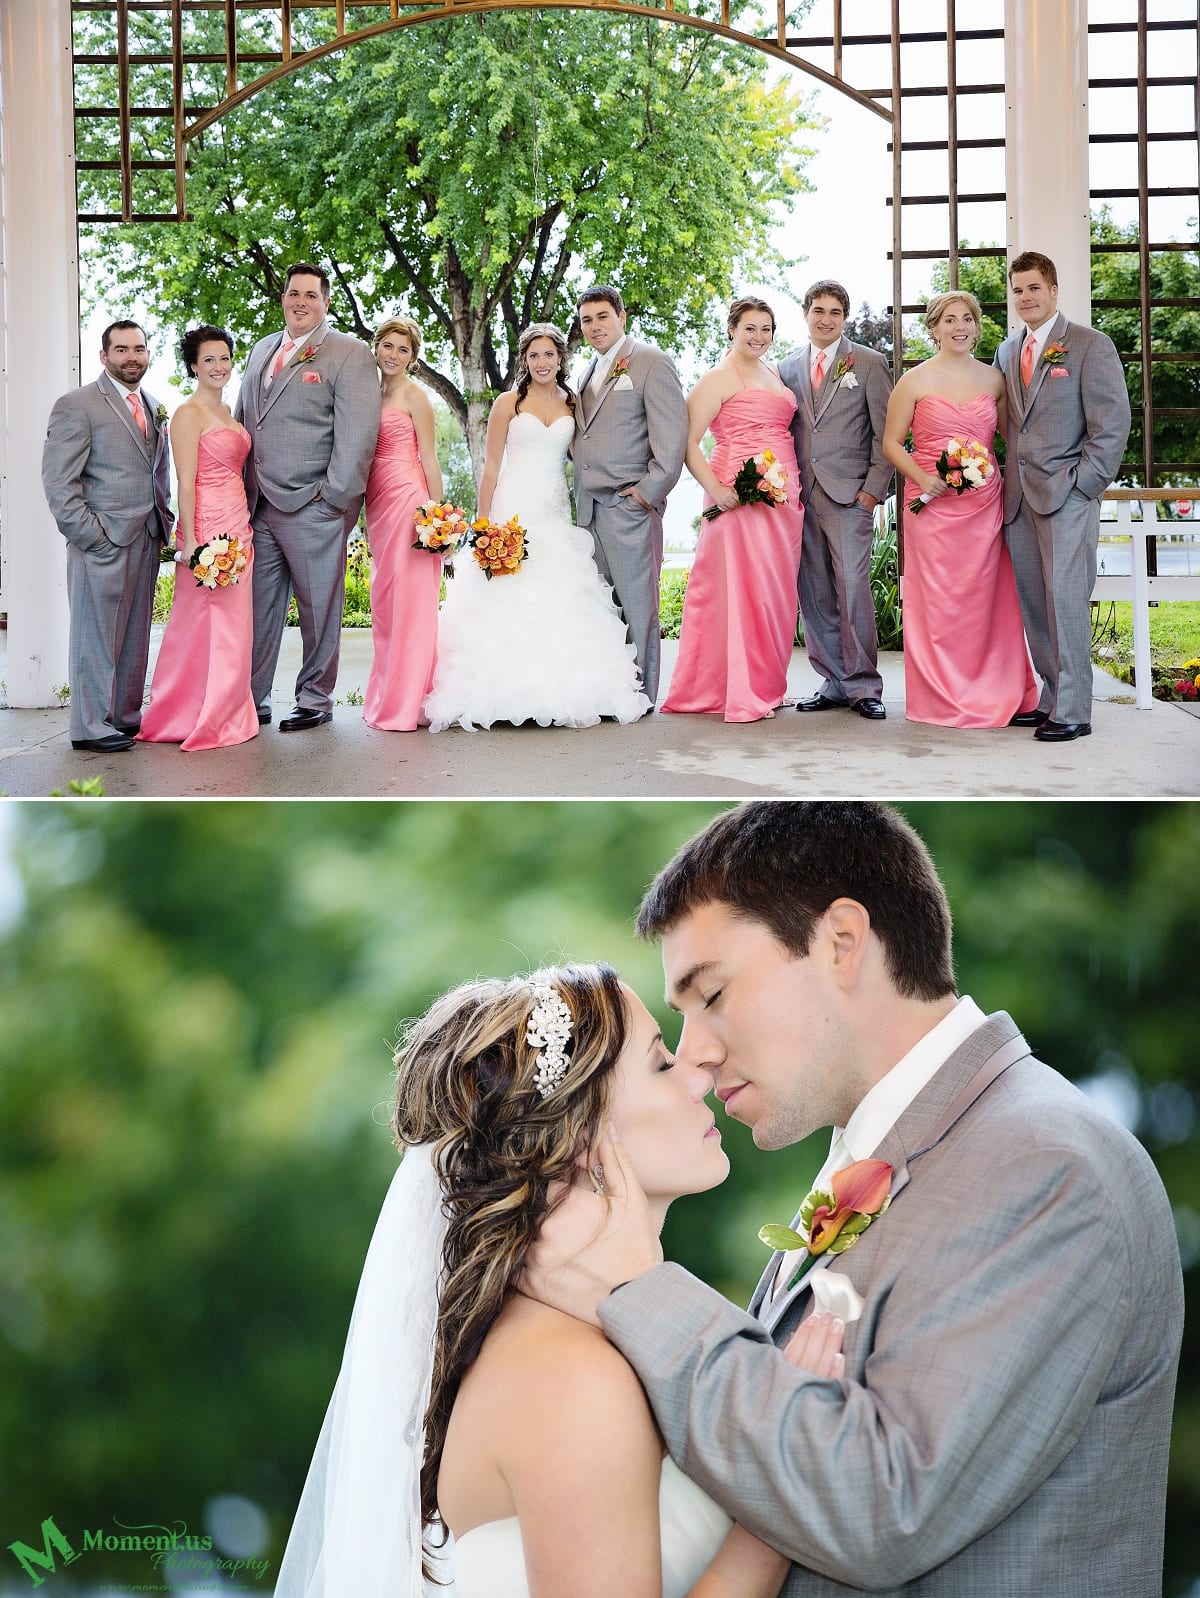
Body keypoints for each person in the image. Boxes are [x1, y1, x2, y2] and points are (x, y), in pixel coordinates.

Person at [523, 801, 1183, 1598]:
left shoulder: (1043, 1164)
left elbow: (883, 1510)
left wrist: (641, 1289)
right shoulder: (883, 1157)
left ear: (841, 940)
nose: (694, 1053)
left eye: (713, 994)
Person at [272, 960, 845, 1598]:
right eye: (660, 1064)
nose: (698, 1076)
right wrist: (782, 1489)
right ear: (579, 1137)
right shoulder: (571, 1377)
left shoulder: (564, 1344)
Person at [423, 323, 651, 731]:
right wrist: (483, 524)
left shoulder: (574, 402)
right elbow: (491, 467)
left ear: (561, 358)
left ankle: (568, 693)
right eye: (534, 355)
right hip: (511, 506)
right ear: (524, 361)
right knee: (506, 595)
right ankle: (501, 694)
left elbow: (590, 452)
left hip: (555, 509)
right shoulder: (508, 403)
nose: (542, 362)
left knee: (560, 592)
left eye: (549, 354)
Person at [882, 292, 1040, 728]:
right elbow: (891, 443)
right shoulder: (912, 381)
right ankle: (940, 695)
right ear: (934, 328)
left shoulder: (994, 380)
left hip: (983, 506)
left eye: (967, 319)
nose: (959, 327)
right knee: (938, 602)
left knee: (985, 601)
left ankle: (995, 690)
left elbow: (1014, 437)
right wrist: (923, 477)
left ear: (977, 326)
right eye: (949, 319)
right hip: (931, 507)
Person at [236, 262, 380, 732]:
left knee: (319, 610)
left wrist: (333, 499)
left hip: (314, 505)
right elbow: (243, 421)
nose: (300, 302)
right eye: (293, 293)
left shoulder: (349, 353)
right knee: (258, 610)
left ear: (325, 302)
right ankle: (253, 697)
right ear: (283, 298)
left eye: (310, 295)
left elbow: (358, 435)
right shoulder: (261, 349)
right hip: (259, 505)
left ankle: (315, 698)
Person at [995, 250, 1131, 743]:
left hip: (1068, 496)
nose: (1026, 297)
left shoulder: (1090, 345)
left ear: (1053, 290)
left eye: (1034, 287)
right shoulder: (1006, 352)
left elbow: (1112, 425)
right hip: (1018, 499)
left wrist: (1084, 486)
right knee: (1035, 603)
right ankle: (1052, 697)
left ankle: (1075, 710)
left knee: (1067, 600)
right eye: (1018, 290)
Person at [661, 298, 804, 722]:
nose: (759, 337)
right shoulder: (717, 378)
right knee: (742, 589)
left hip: (782, 497)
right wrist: (717, 489)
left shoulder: (772, 372)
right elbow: (689, 443)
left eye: (766, 329)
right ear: (731, 330)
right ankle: (739, 690)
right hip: (736, 495)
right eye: (750, 328)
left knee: (774, 593)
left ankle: (766, 685)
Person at [41, 320, 174, 752]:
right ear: (104, 355)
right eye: (121, 349)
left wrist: (164, 521)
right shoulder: (76, 405)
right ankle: (89, 726)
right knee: (94, 636)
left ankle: (123, 717)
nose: (131, 357)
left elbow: (157, 471)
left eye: (139, 349)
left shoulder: (154, 405)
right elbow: (59, 483)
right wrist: (91, 535)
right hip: (101, 541)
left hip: (146, 536)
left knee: (135, 634)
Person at [137, 326, 258, 751]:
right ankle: (193, 715)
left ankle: (226, 711)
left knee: (236, 627)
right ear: (193, 366)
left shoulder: (227, 412)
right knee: (203, 625)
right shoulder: (188, 414)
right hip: (207, 529)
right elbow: (184, 481)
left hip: (239, 526)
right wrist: (189, 542)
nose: (218, 366)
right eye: (209, 359)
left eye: (224, 358)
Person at [778, 281, 893, 721]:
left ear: (845, 318)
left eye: (835, 312)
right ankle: (832, 680)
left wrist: (871, 492)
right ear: (805, 314)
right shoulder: (786, 367)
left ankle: (864, 685)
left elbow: (885, 433)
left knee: (853, 589)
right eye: (818, 311)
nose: (826, 320)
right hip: (801, 497)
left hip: (850, 497)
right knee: (815, 592)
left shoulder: (869, 362)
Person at [571, 285, 689, 705]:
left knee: (639, 608)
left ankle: (642, 696)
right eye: (587, 320)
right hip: (589, 510)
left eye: (602, 316)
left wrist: (644, 496)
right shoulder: (586, 372)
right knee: (603, 607)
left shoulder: (652, 362)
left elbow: (672, 441)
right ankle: (614, 693)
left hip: (629, 508)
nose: (595, 326)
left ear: (621, 317)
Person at [362, 316, 444, 733]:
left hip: (409, 502)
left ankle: (411, 701)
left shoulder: (415, 396)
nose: (394, 355)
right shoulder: (368, 394)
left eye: (403, 349)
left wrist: (437, 518)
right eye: (388, 346)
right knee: (385, 602)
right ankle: (387, 694)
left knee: (411, 603)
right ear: (376, 348)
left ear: (413, 358)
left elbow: (429, 457)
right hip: (377, 505)